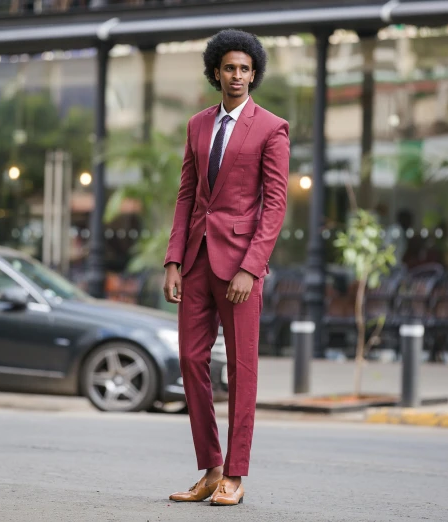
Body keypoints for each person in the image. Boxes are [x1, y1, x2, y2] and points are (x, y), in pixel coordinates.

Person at [162, 29, 290, 506]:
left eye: (245, 69)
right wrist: (174, 259)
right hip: (195, 261)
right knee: (192, 361)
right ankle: (212, 468)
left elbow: (274, 206)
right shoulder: (197, 125)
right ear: (215, 71)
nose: (236, 76)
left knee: (242, 369)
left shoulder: (272, 128)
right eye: (229, 67)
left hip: (240, 268)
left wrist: (251, 267)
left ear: (254, 75)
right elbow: (187, 196)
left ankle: (236, 475)